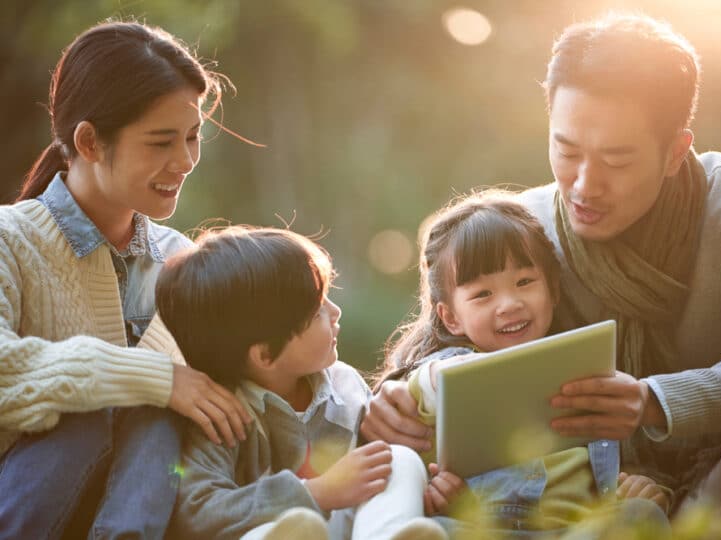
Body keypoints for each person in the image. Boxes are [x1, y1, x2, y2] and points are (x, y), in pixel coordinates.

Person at [362, 13, 721, 536]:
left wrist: (652, 402)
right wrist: (390, 399)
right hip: (576, 486)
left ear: (675, 152)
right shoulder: (527, 225)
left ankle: (683, 521)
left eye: (616, 160)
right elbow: (438, 341)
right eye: (566, 151)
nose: (584, 186)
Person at [0, 21, 252, 539]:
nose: (184, 162)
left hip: (151, 513)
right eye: (161, 142)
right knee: (90, 409)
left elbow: (258, 371)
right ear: (89, 141)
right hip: (28, 507)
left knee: (169, 425)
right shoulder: (10, 240)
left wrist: (372, 406)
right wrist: (158, 380)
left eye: (191, 137)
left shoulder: (184, 261)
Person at [373, 190, 670, 538]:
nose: (509, 304)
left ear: (553, 291)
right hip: (491, 529)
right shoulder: (447, 370)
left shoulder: (583, 361)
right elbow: (420, 391)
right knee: (438, 529)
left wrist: (642, 486)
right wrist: (451, 498)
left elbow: (621, 459)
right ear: (451, 317)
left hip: (578, 531)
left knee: (642, 513)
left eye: (525, 282)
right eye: (483, 294)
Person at [157, 226, 448, 540]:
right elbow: (198, 512)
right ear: (265, 354)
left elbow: (374, 475)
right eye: (316, 312)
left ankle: (390, 535)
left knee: (395, 460)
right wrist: (315, 493)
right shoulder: (220, 416)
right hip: (282, 532)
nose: (335, 313)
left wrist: (430, 484)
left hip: (349, 531)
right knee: (279, 532)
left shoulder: (345, 384)